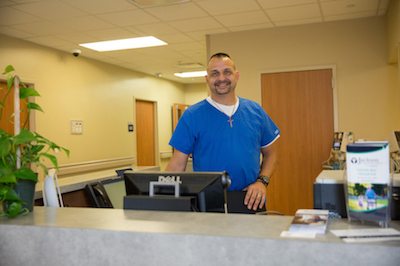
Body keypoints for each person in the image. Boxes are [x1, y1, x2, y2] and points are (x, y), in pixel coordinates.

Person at [165, 53, 280, 211]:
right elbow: (177, 165)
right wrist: (161, 199)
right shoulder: (192, 115)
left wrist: (262, 181)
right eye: (215, 73)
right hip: (209, 201)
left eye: (227, 72)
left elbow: (271, 154)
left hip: (250, 199)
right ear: (207, 79)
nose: (221, 78)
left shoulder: (256, 111)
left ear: (236, 75)